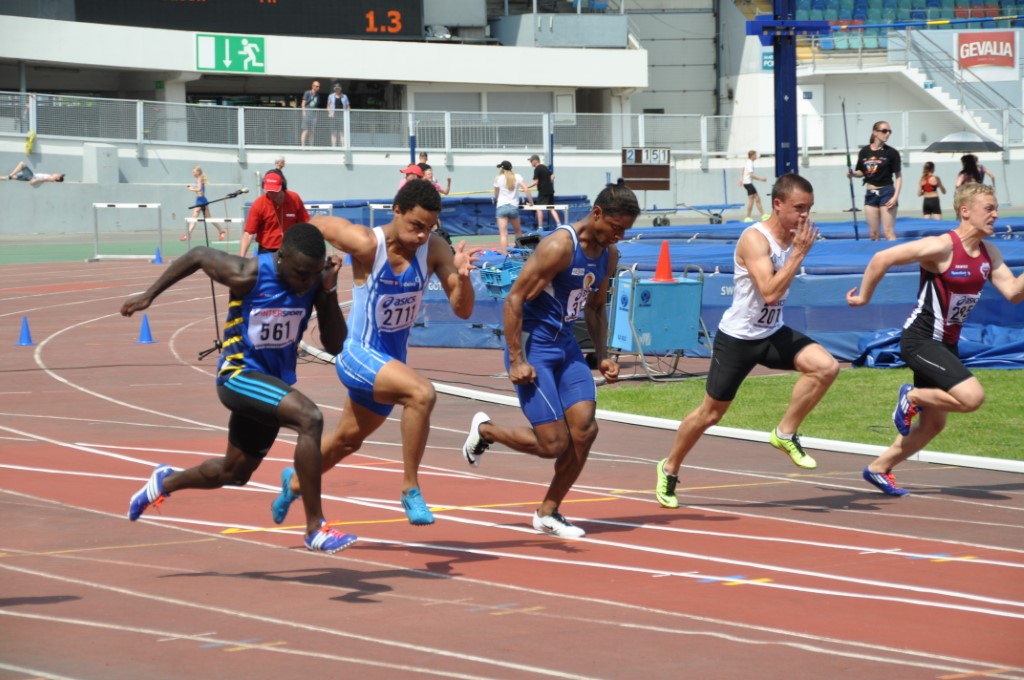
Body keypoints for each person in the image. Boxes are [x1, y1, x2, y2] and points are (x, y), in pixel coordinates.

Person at [121, 224, 357, 554]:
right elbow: (198, 255)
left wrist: (328, 292)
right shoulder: (248, 274)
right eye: (301, 273)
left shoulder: (314, 281)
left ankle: (165, 481)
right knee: (310, 418)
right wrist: (150, 294)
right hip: (238, 376)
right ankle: (315, 528)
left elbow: (335, 346)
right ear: (281, 256)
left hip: (271, 386)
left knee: (234, 472)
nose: (305, 281)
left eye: (312, 274)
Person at [270, 179, 480, 527]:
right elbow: (315, 225)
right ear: (396, 211)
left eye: (429, 228)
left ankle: (292, 483)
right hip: (357, 356)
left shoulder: (434, 250)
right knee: (422, 394)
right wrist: (300, 267)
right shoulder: (367, 244)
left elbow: (463, 309)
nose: (421, 236)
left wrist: (464, 278)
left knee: (346, 441)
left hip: (390, 365)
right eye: (416, 225)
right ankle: (410, 488)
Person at [460, 181, 641, 538]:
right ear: (597, 213)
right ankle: (485, 431)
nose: (618, 236)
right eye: (615, 227)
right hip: (535, 347)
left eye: (625, 231)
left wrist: (603, 356)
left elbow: (595, 306)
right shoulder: (560, 246)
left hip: (566, 346)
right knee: (554, 444)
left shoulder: (609, 254)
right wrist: (517, 360)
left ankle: (548, 511)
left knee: (585, 430)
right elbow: (514, 299)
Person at [654, 174, 840, 509]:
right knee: (710, 414)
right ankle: (669, 467)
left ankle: (785, 434)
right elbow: (769, 293)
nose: (805, 216)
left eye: (809, 209)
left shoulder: (792, 239)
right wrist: (798, 255)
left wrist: (796, 251)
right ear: (778, 204)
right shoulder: (755, 239)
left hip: (771, 333)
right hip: (738, 339)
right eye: (799, 208)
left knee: (826, 367)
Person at [846, 183, 1023, 496]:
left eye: (996, 208)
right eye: (989, 208)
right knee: (972, 398)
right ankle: (913, 397)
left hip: (946, 345)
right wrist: (863, 297)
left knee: (933, 425)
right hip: (921, 340)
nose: (996, 214)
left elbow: (1013, 292)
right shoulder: (941, 247)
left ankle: (878, 468)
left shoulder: (988, 252)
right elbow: (883, 257)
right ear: (965, 211)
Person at [847, 121, 902, 241]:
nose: (887, 134)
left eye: (889, 131)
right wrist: (853, 174)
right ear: (875, 132)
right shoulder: (864, 151)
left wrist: (895, 197)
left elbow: (898, 176)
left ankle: (894, 253)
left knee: (888, 232)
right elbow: (861, 172)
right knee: (873, 234)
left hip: (887, 192)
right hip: (871, 194)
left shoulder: (892, 153)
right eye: (884, 131)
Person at [240, 172, 309, 257]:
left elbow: (305, 224)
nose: (272, 193)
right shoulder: (258, 204)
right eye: (269, 190)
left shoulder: (294, 199)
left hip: (291, 247)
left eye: (275, 190)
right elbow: (248, 233)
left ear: (282, 187)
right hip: (267, 250)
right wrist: (241, 257)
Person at [494, 160, 534, 254]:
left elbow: (496, 194)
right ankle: (520, 252)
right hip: (513, 207)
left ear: (502, 169)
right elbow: (525, 188)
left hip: (502, 206)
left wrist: (498, 199)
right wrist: (531, 202)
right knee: (518, 230)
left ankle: (504, 254)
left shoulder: (498, 178)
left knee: (503, 234)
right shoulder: (517, 176)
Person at [182, 166, 226, 242]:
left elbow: (199, 189)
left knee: (194, 218)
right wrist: (191, 186)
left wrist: (191, 189)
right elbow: (199, 188)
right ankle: (221, 231)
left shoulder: (200, 179)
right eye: (192, 172)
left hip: (201, 201)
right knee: (208, 218)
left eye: (194, 172)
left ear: (198, 172)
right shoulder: (198, 179)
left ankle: (188, 234)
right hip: (199, 200)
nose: (193, 173)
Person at [526, 154, 561, 231]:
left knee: (539, 208)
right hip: (550, 190)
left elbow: (536, 182)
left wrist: (526, 187)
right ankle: (559, 224)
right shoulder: (545, 167)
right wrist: (548, 182)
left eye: (531, 161)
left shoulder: (537, 169)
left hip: (543, 191)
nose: (531, 162)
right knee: (551, 208)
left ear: (535, 161)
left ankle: (540, 227)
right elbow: (553, 176)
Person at [740, 150, 767, 222]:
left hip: (747, 183)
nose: (756, 156)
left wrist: (741, 179)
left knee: (757, 199)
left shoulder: (748, 162)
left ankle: (763, 215)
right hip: (748, 183)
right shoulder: (750, 163)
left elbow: (742, 169)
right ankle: (748, 217)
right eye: (755, 155)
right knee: (752, 200)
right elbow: (751, 175)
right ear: (752, 156)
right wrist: (761, 179)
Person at [327, 83, 350, 148]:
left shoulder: (344, 96)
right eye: (336, 88)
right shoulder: (330, 96)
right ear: (334, 89)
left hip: (342, 116)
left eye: (338, 88)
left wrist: (347, 114)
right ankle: (333, 147)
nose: (337, 90)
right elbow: (328, 106)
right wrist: (330, 112)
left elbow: (348, 106)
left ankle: (343, 147)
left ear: (340, 89)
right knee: (333, 132)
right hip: (333, 116)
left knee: (342, 132)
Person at [300, 80, 321, 147]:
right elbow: (303, 103)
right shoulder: (307, 93)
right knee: (305, 130)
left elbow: (316, 106)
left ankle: (311, 147)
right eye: (317, 86)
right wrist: (304, 112)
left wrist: (317, 116)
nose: (318, 87)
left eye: (319, 86)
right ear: (313, 86)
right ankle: (303, 147)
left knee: (312, 131)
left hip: (314, 116)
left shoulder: (318, 95)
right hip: (307, 114)